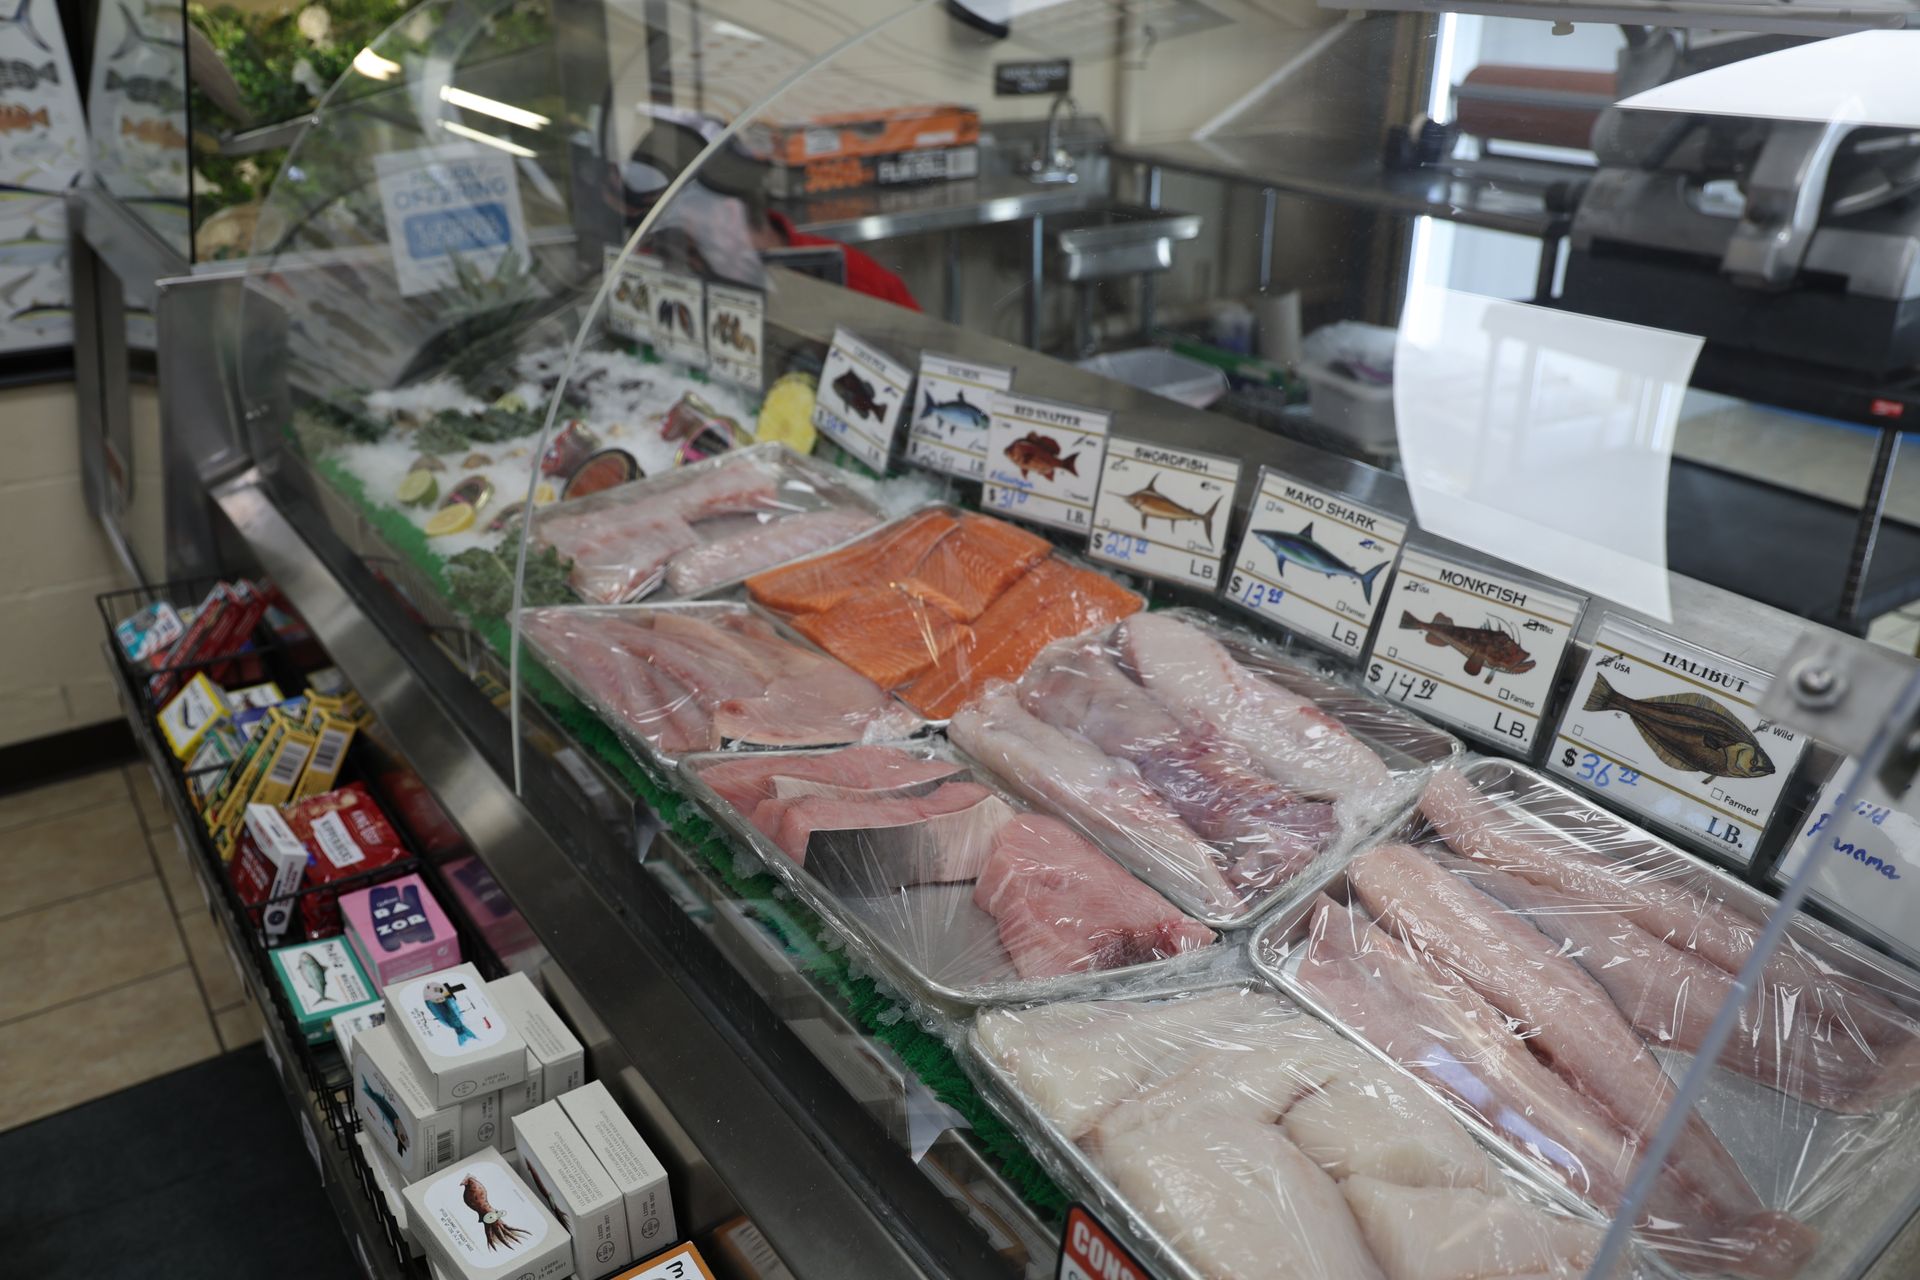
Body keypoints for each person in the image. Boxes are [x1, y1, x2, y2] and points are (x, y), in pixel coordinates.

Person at [613, 110, 920, 311]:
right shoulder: (655, 266)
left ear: (726, 216)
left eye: (673, 225)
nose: (658, 248)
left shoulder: (861, 285)